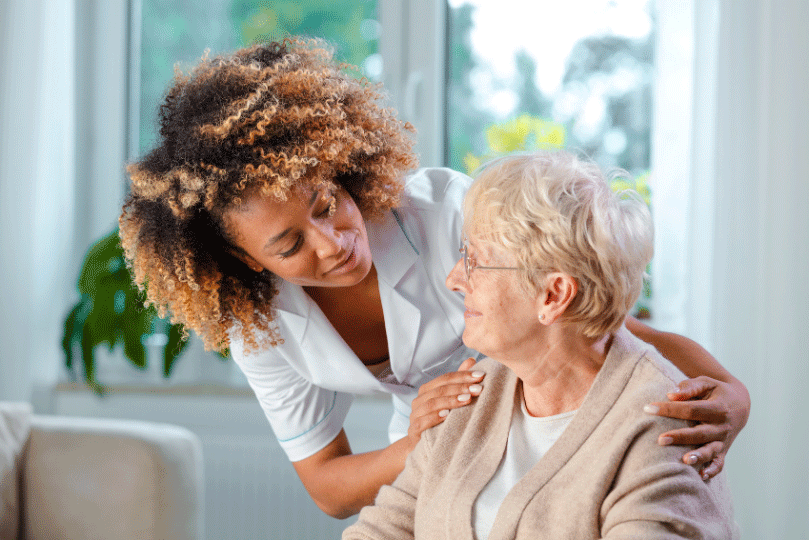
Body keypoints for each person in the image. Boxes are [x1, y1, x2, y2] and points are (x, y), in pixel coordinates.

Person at [118, 38, 749, 519]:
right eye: (290, 245)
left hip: (557, 413)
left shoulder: (445, 213)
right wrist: (420, 441)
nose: (334, 243)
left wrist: (731, 393)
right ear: (249, 263)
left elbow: (599, 320)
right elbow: (330, 487)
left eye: (326, 202)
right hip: (436, 446)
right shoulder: (261, 325)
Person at [343, 151, 738, 539]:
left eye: (474, 260)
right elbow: (385, 527)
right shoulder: (472, 392)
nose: (454, 278)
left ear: (553, 296)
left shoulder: (660, 431)